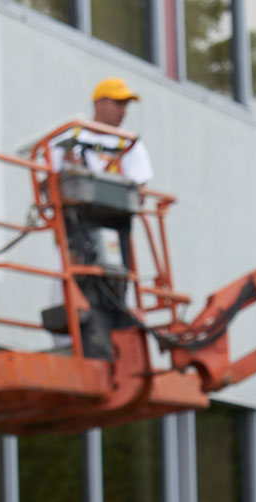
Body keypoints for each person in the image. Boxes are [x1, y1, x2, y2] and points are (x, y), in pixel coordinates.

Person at [43, 77, 155, 355]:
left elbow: (139, 189)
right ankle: (68, 341)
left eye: (126, 104)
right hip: (76, 223)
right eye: (118, 103)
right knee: (68, 276)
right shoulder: (70, 136)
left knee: (115, 279)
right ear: (99, 103)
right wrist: (68, 174)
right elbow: (48, 182)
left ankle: (111, 336)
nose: (123, 110)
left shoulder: (129, 143)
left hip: (114, 223)